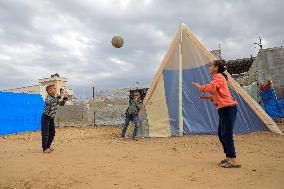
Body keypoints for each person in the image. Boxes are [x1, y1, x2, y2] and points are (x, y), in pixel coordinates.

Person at [192, 59, 241, 168]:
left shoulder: (218, 76)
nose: (209, 67)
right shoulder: (219, 77)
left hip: (228, 108)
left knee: (226, 134)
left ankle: (232, 159)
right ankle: (228, 157)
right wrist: (208, 97)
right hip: (224, 109)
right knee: (221, 134)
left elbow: (212, 88)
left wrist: (199, 87)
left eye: (211, 65)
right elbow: (219, 94)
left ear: (216, 67)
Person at [41, 85, 68, 153]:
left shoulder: (54, 98)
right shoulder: (48, 98)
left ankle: (48, 146)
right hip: (46, 117)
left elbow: (61, 104)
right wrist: (59, 96)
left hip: (51, 118)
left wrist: (64, 98)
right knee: (45, 133)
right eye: (54, 88)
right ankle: (45, 148)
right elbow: (50, 102)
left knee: (52, 133)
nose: (56, 90)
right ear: (49, 91)